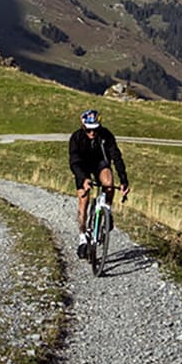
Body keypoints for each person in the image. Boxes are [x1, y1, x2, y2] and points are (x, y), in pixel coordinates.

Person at [69, 109, 130, 258]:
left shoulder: (106, 136)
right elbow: (74, 162)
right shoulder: (76, 138)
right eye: (89, 130)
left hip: (99, 164)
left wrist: (124, 180)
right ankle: (83, 237)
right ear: (83, 127)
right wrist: (83, 178)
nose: (92, 133)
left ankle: (107, 210)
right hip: (82, 168)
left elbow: (116, 157)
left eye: (95, 130)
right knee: (83, 201)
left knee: (108, 181)